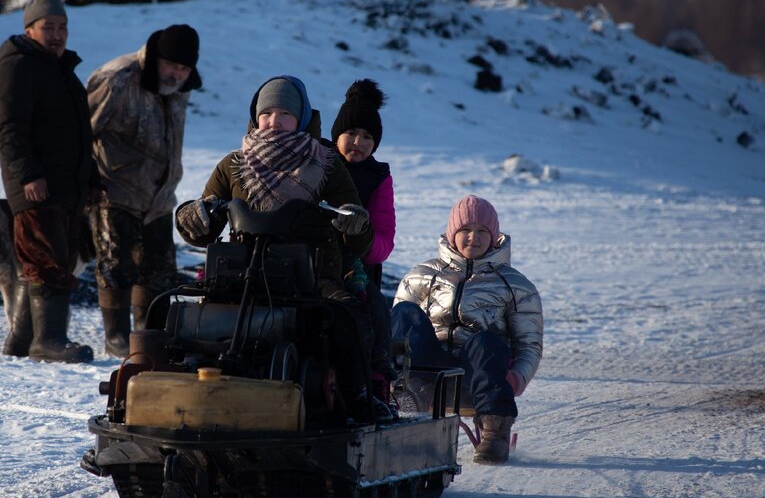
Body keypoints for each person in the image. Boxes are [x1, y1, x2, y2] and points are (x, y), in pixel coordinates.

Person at [174, 75, 379, 421]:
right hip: (242, 273)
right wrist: (195, 215)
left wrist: (354, 222)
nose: (273, 121)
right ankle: (184, 392)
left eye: (283, 113)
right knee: (183, 317)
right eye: (266, 113)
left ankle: (356, 398)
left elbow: (359, 236)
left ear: (300, 118)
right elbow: (201, 230)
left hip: (311, 276)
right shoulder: (233, 164)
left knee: (345, 317)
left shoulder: (327, 164)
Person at [392, 195, 543, 464]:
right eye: (465, 230)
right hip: (430, 370)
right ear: (452, 234)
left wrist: (516, 378)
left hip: (478, 373)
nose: (473, 237)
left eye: (482, 231)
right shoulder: (422, 275)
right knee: (404, 313)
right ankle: (407, 394)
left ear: (494, 236)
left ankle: (495, 430)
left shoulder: (515, 285)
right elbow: (398, 332)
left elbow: (529, 343)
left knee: (486, 341)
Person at [0, 0, 95, 363]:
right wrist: (28, 175)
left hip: (65, 185)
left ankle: (21, 340)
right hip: (37, 185)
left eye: (62, 27)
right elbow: (10, 129)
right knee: (46, 258)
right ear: (29, 29)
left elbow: (77, 132)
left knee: (47, 258)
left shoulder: (58, 68)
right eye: (48, 27)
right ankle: (48, 340)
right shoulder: (17, 66)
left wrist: (89, 179)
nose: (57, 34)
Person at [86, 24, 201, 358]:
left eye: (184, 68)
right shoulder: (117, 79)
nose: (177, 74)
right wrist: (87, 180)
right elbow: (79, 129)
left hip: (161, 195)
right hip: (115, 189)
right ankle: (117, 337)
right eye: (172, 66)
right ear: (156, 58)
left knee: (160, 272)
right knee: (116, 266)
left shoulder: (181, 87)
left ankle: (149, 338)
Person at [329, 78, 397, 398]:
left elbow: (384, 239)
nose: (358, 142)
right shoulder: (320, 162)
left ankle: (377, 379)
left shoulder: (377, 177)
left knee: (373, 307)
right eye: (351, 134)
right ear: (336, 136)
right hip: (310, 257)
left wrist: (364, 240)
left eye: (367, 137)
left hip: (353, 265)